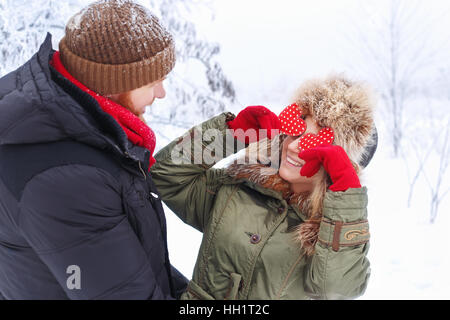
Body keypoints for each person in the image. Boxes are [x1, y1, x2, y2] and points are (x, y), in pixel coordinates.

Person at [0, 0, 187, 299]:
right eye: (153, 82)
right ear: (113, 82)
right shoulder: (68, 178)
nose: (161, 93)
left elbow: (129, 268)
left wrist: (227, 135)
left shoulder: (82, 126)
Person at [151, 75, 377, 299]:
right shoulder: (239, 187)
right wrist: (230, 134)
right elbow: (166, 176)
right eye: (296, 132)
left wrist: (346, 199)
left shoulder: (334, 228)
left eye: (314, 143)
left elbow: (336, 287)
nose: (295, 147)